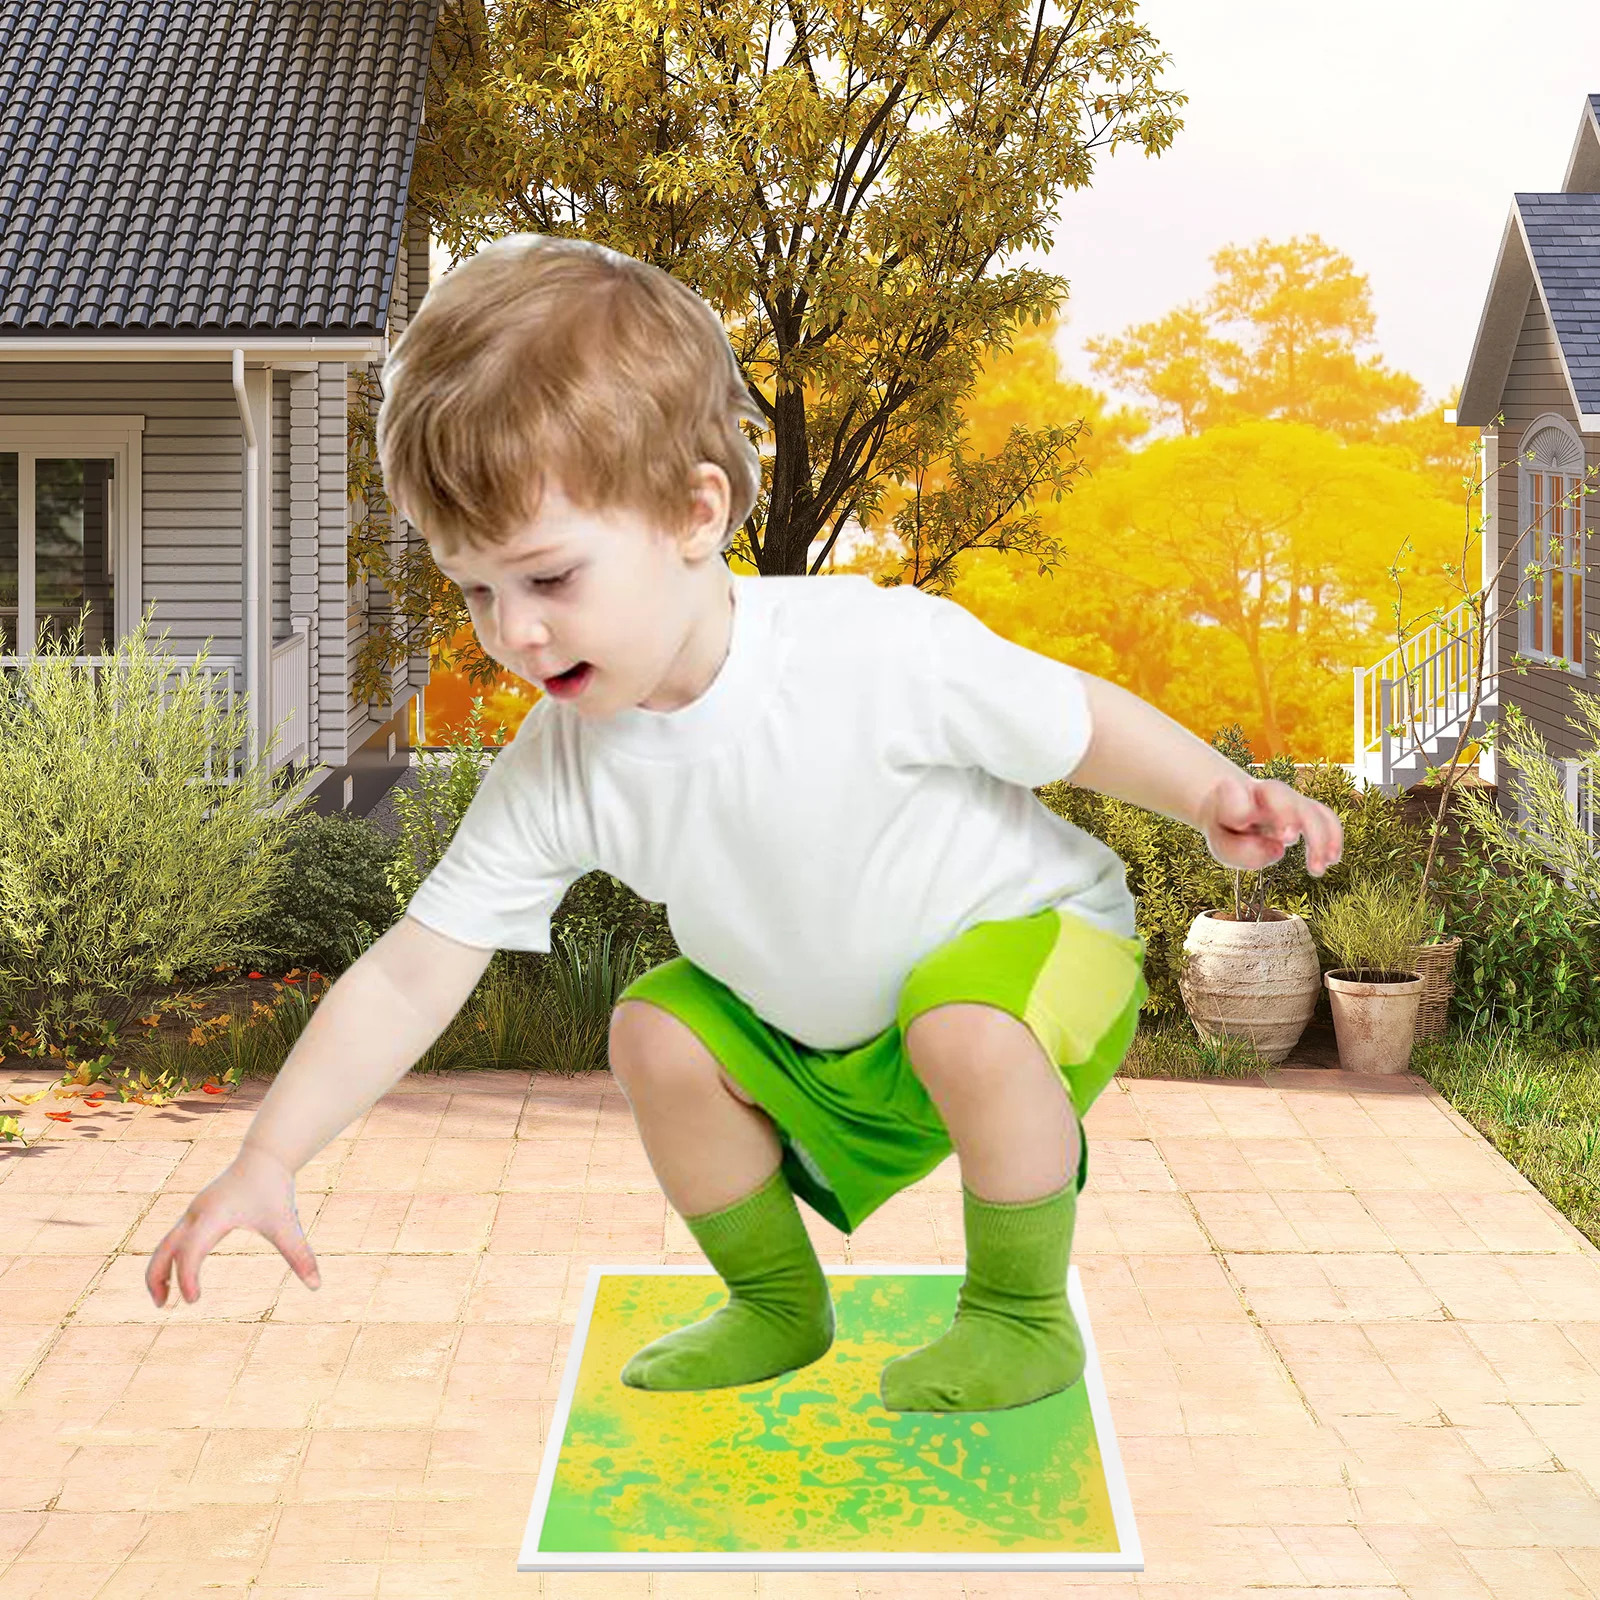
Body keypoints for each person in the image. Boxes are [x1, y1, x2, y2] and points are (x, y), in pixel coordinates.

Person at [145, 234, 1342, 1415]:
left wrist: (1210, 792)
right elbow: (413, 974)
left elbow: (1066, 718)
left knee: (967, 1023)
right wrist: (268, 1156)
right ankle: (776, 1302)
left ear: (691, 511)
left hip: (1036, 961)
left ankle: (1021, 1317)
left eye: (549, 578)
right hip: (831, 1040)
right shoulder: (562, 764)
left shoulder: (867, 648)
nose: (511, 631)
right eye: (475, 587)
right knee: (655, 1033)